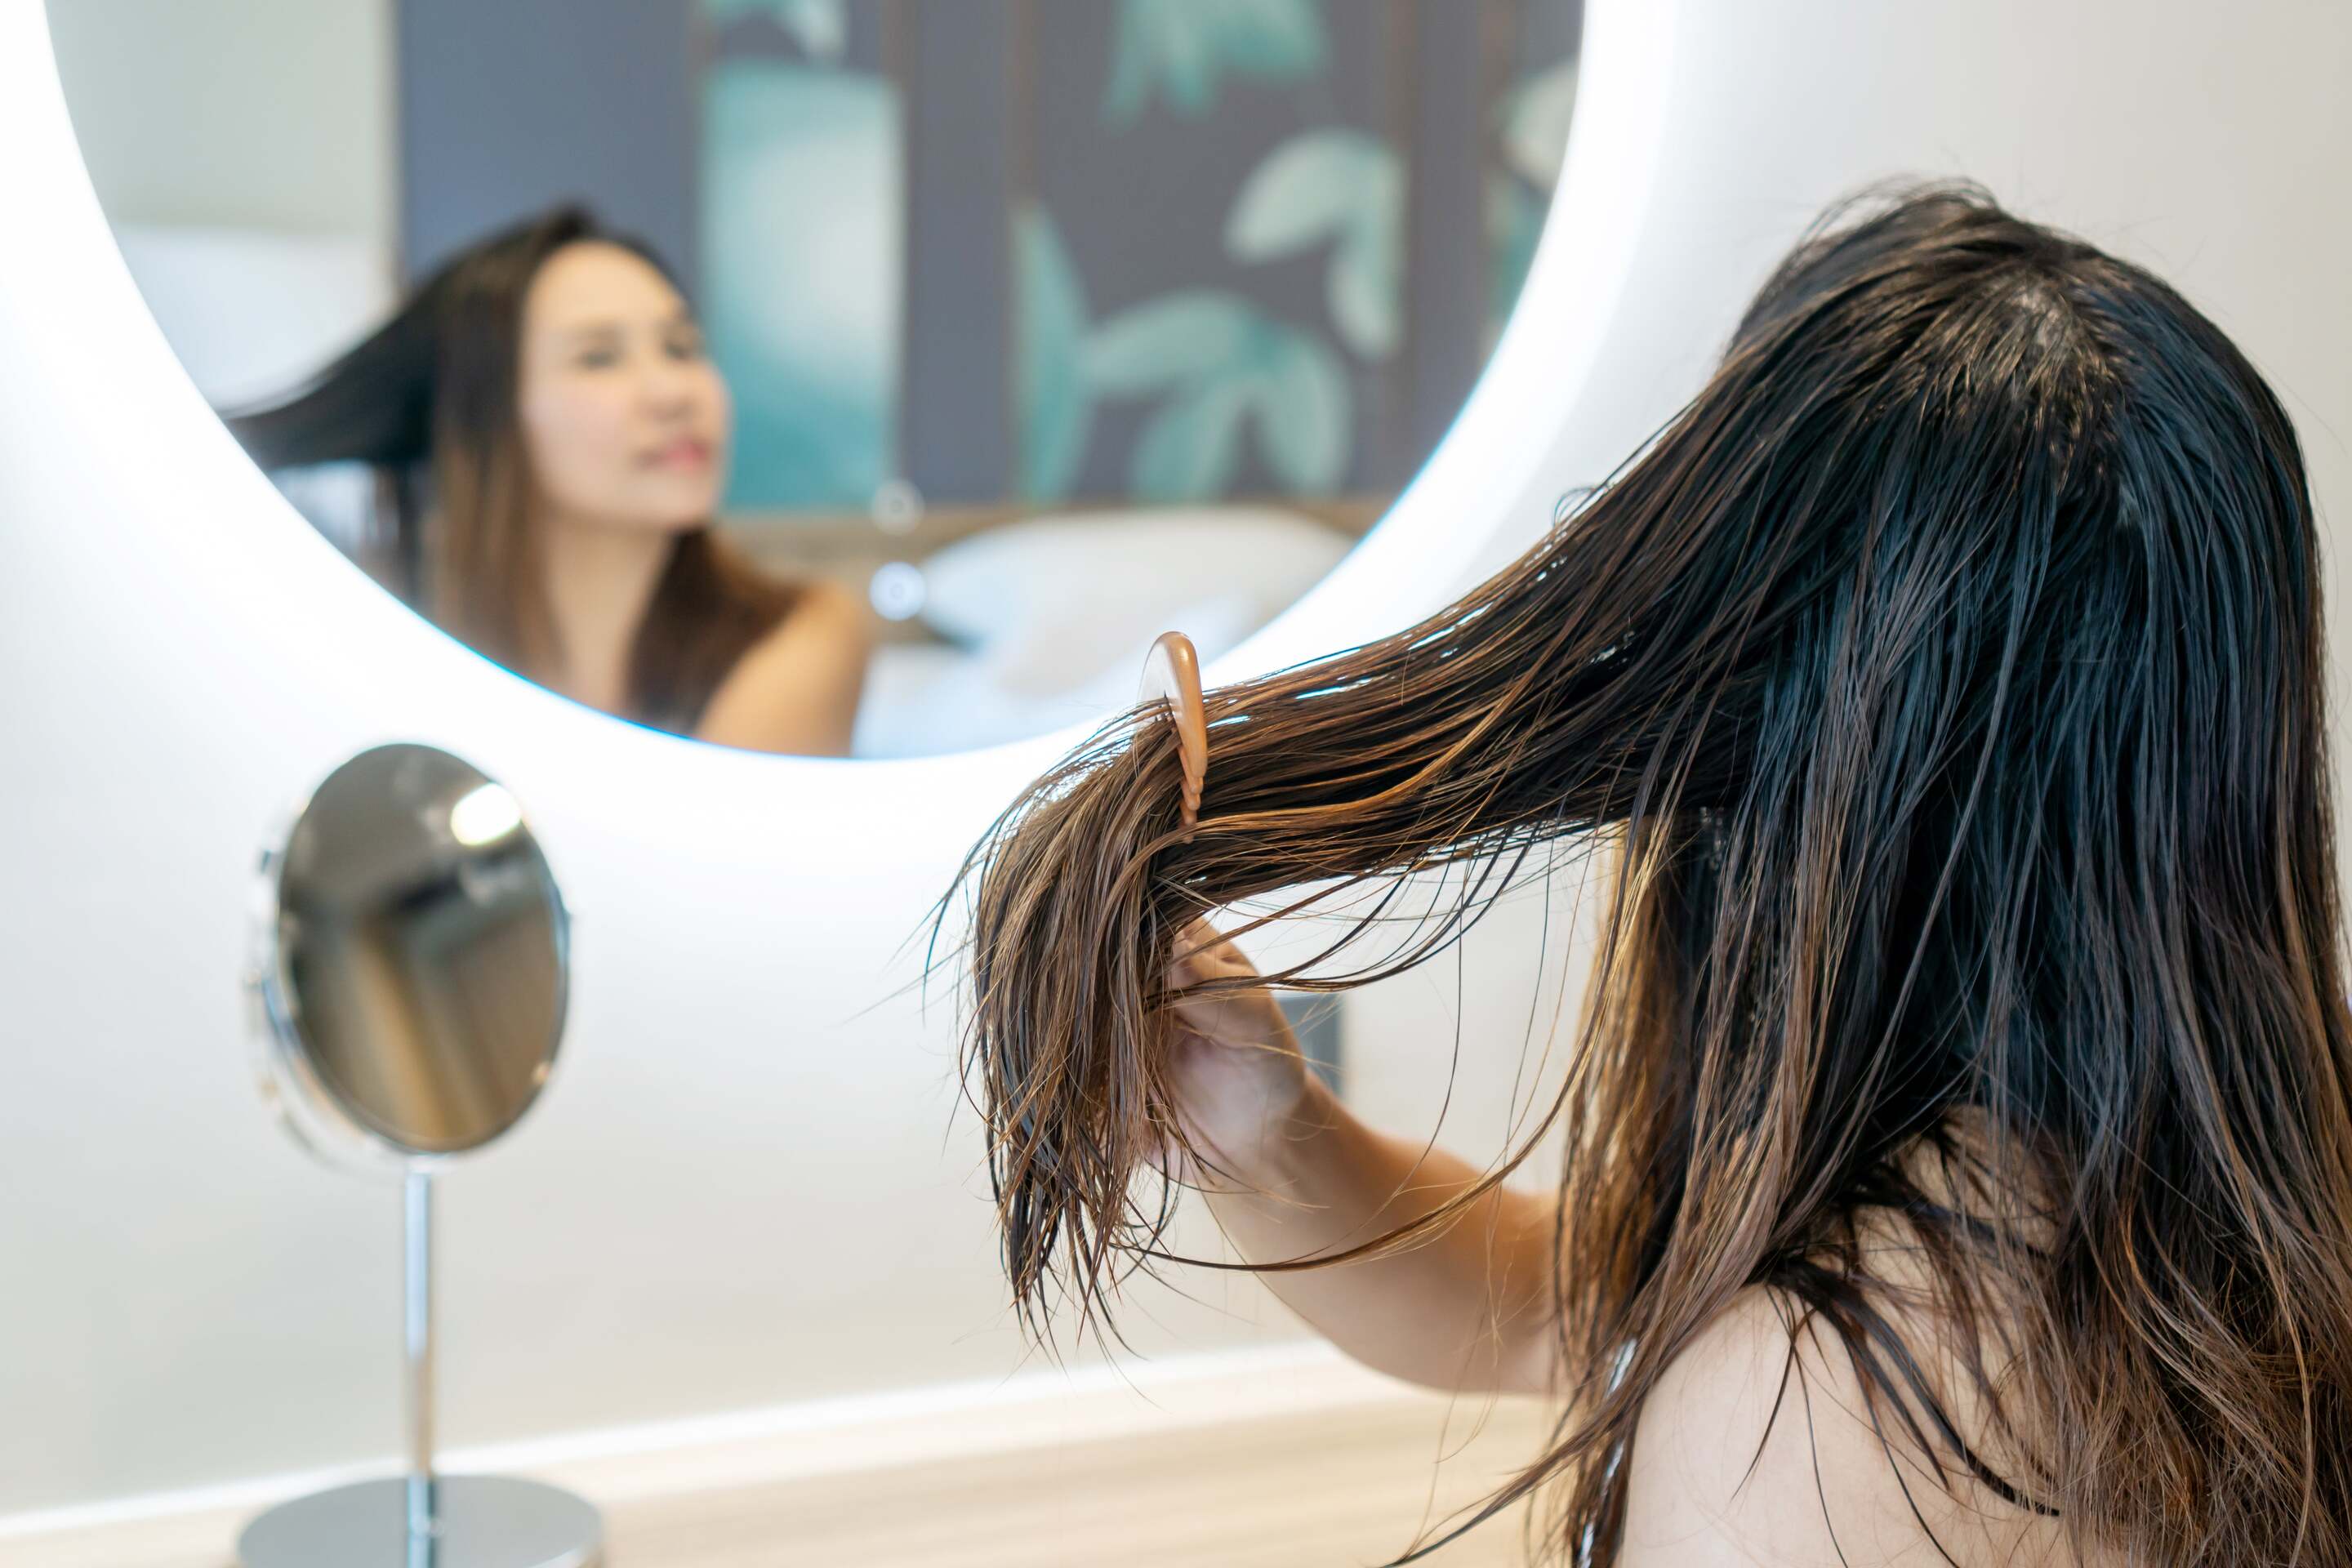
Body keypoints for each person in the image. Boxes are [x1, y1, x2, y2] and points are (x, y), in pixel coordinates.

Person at [943, 181, 2352, 1565]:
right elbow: (1565, 1305)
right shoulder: (2214, 1240)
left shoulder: (1814, 1415)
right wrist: (1275, 1128)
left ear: (1774, 723)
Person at [227, 205, 870, 755]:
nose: (673, 391)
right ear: (486, 420)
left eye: (681, 347)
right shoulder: (384, 655)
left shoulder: (801, 640)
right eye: (599, 357)